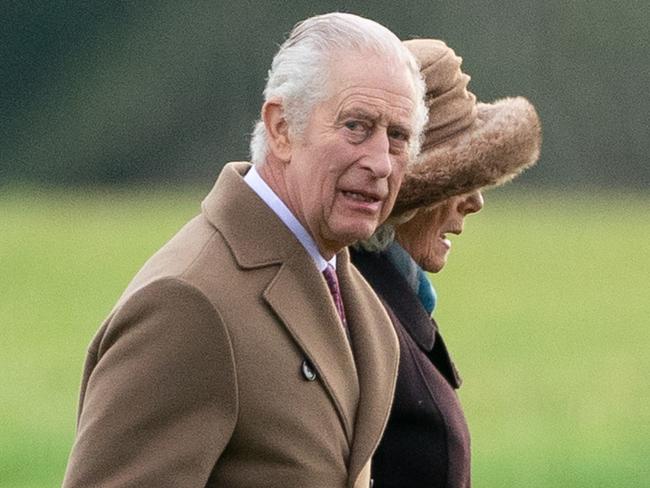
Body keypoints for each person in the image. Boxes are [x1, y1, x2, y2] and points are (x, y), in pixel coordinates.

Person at [62, 13, 430, 488]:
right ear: (280, 129)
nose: (380, 162)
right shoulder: (188, 302)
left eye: (398, 137)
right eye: (356, 126)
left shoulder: (357, 299)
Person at [350, 38, 542, 487]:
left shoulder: (379, 293)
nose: (475, 202)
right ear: (406, 200)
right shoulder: (355, 310)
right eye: (457, 181)